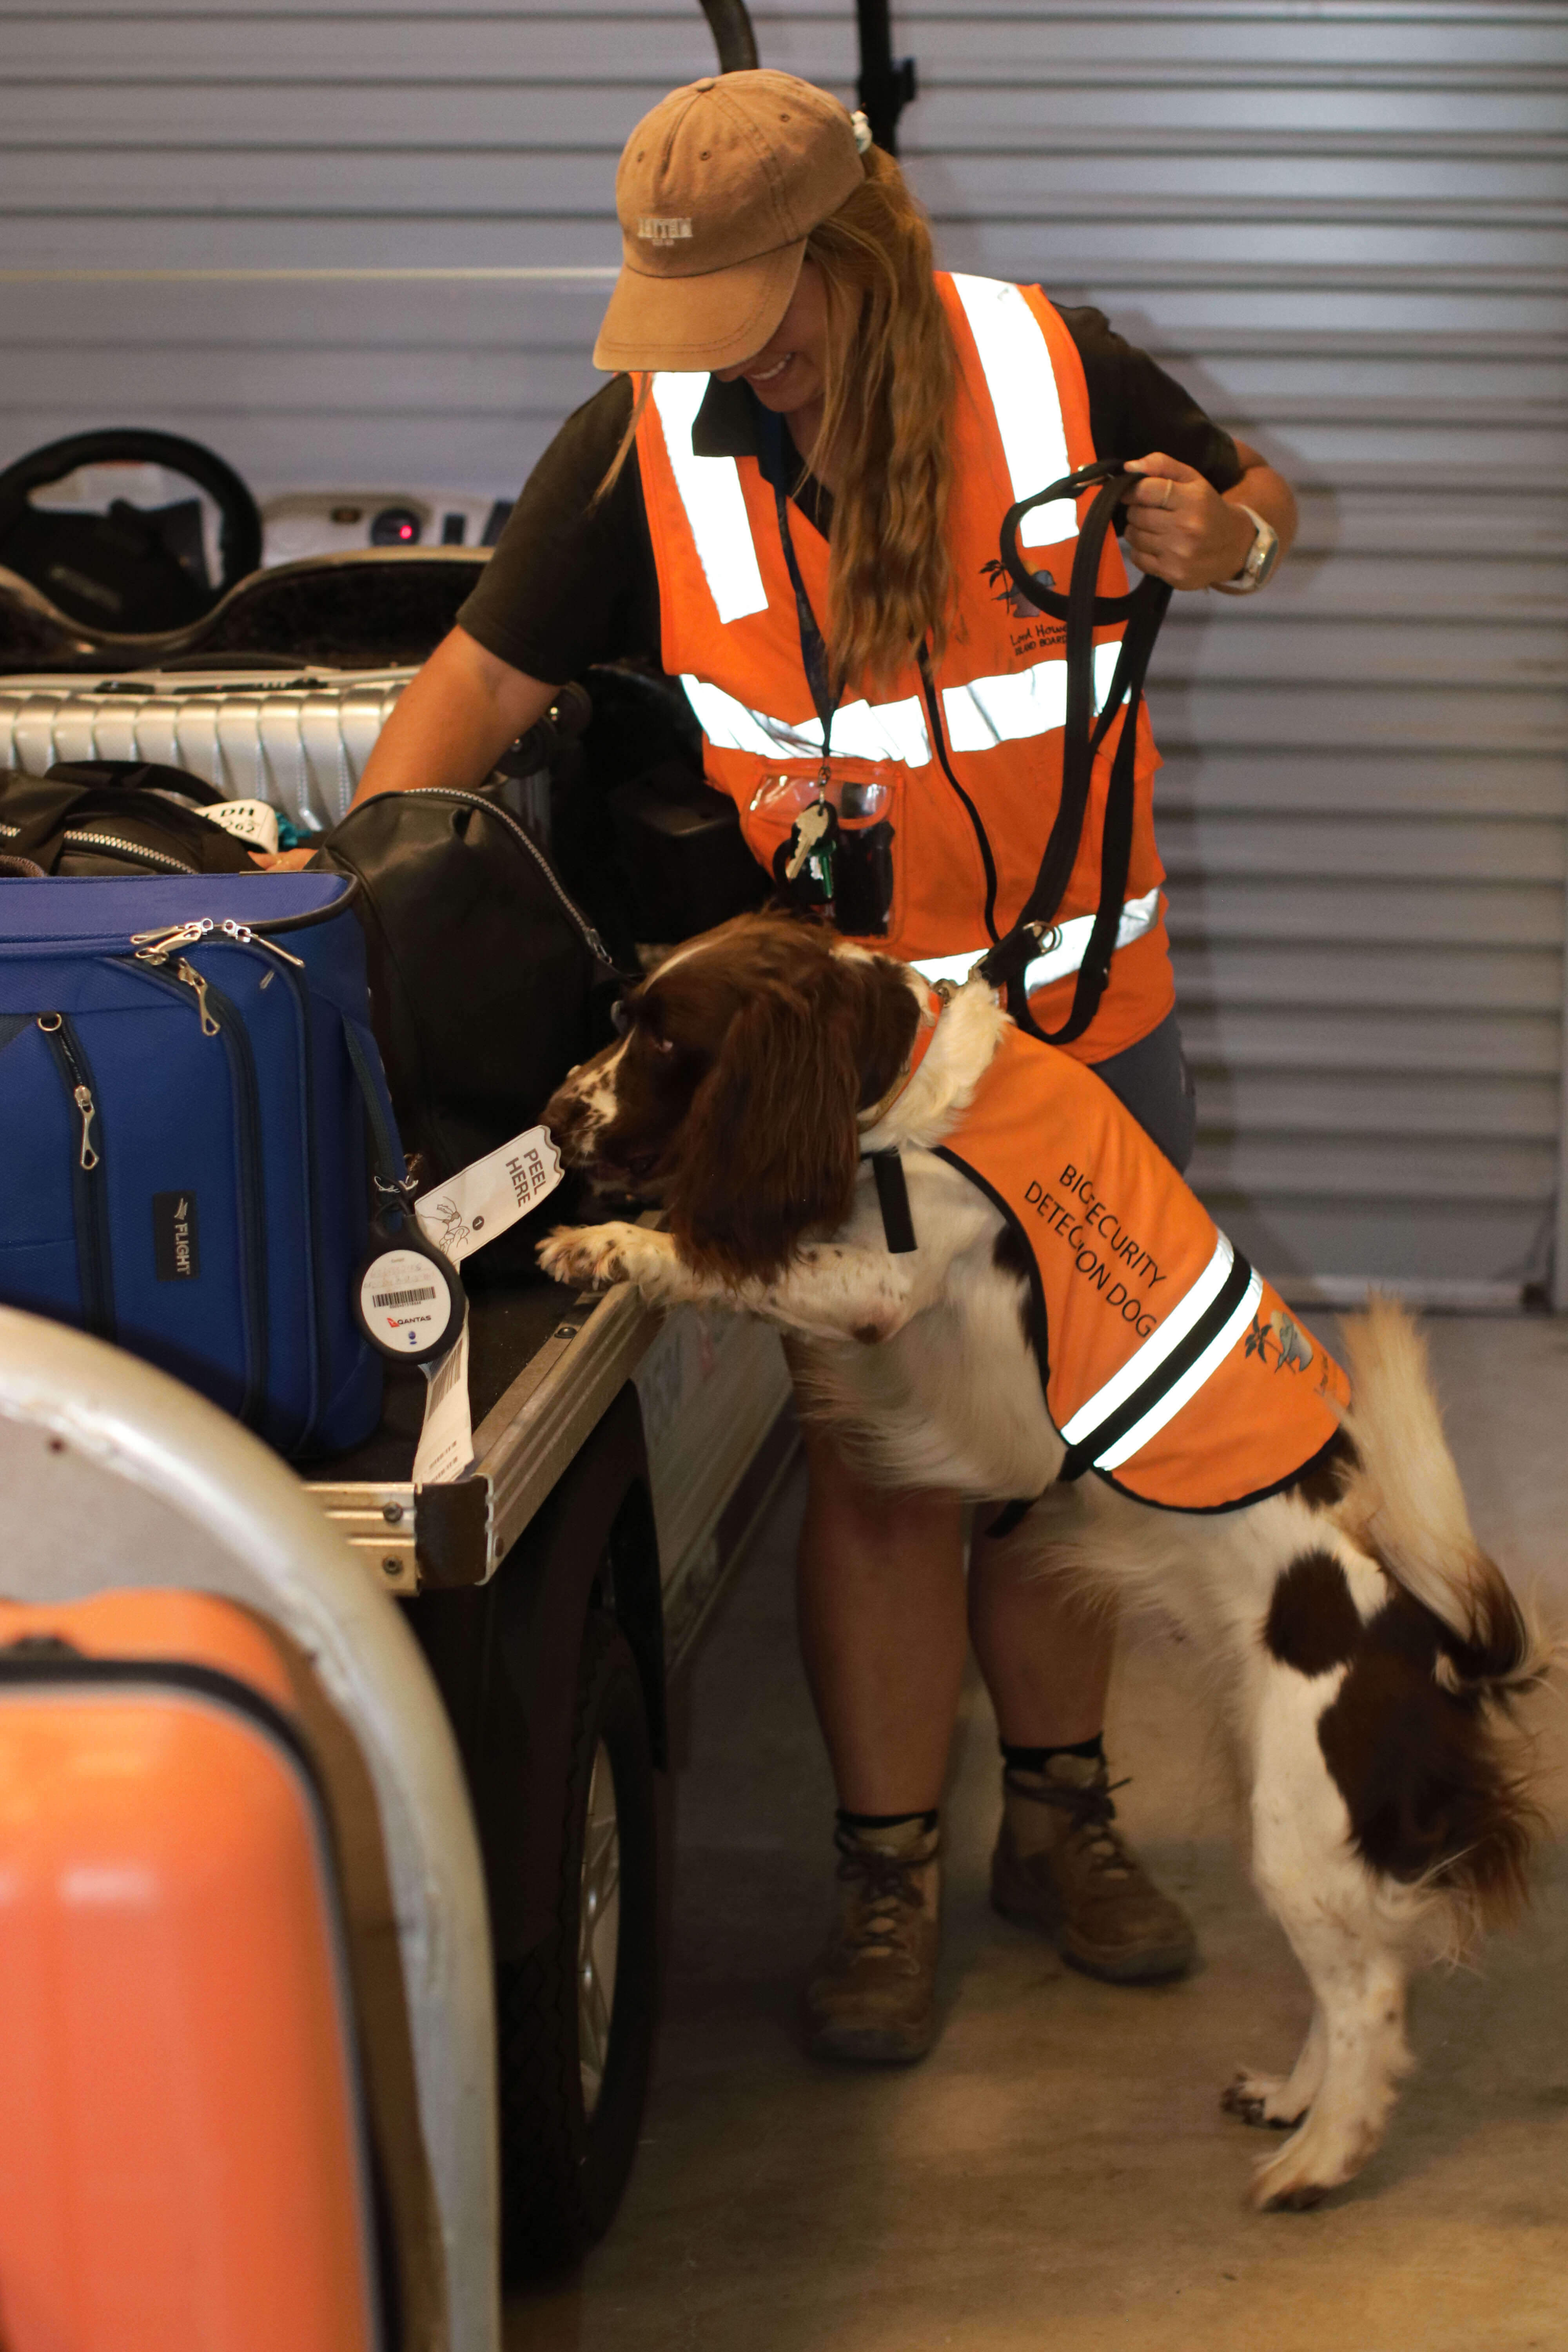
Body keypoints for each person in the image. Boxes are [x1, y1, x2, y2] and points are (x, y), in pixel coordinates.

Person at [329, 71, 1298, 2063]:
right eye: (695, 320)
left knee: (1055, 1471)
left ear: (857, 251)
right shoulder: (648, 442)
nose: (736, 361)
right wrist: (347, 913)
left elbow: (1248, 497)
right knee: (879, 1474)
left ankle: (1060, 1828)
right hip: (837, 1081)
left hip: (1086, 1047)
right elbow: (474, 688)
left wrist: (1231, 538)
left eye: (766, 308)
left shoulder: (1046, 365)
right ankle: (886, 1875)